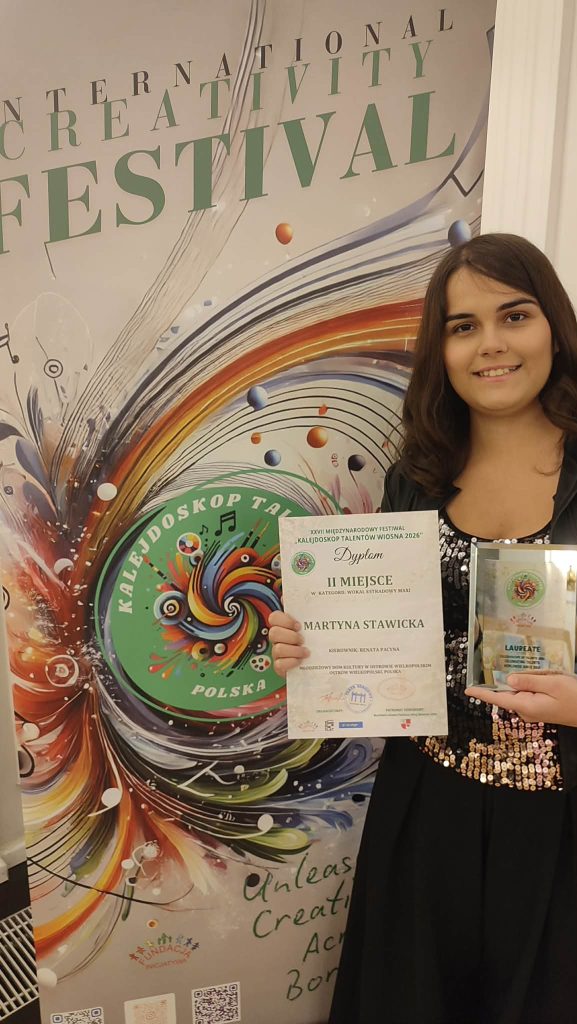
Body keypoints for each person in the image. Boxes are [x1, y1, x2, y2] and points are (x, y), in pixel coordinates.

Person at [269, 233, 577, 1024]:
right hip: (430, 806)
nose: (491, 344)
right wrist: (312, 647)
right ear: (440, 349)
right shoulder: (417, 477)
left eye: (514, 315)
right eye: (462, 326)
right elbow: (388, 631)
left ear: (554, 326)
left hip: (562, 824)